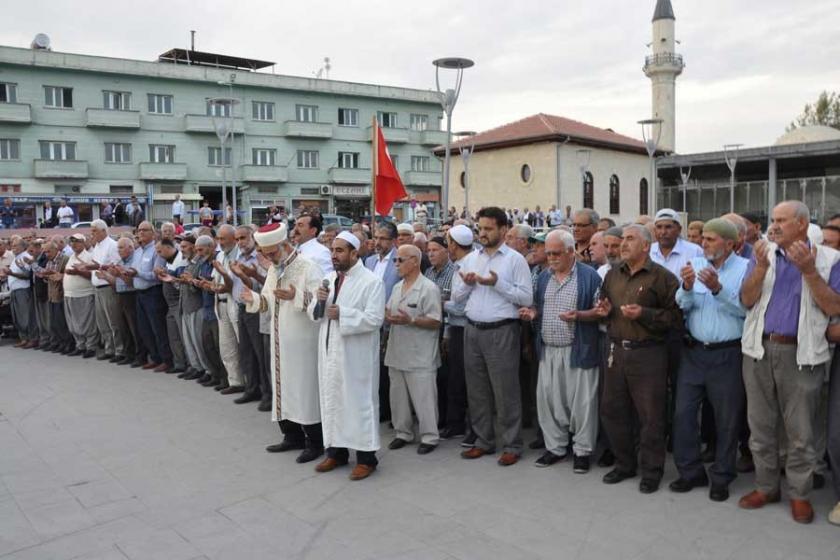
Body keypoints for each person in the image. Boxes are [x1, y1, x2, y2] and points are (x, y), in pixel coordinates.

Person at [738, 200, 840, 524]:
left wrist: (809, 271)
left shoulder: (830, 259)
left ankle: (800, 494)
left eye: (782, 220)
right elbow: (747, 299)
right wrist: (759, 269)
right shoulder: (762, 254)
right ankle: (766, 487)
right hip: (758, 350)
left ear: (801, 223)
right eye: (772, 219)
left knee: (801, 432)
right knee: (761, 427)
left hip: (801, 354)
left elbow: (833, 306)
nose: (774, 225)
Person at [597, 224, 681, 493]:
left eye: (630, 239)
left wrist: (643, 314)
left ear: (646, 245)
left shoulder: (663, 278)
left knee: (651, 416)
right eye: (623, 240)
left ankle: (652, 471)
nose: (623, 244)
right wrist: (606, 310)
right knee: (613, 410)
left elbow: (675, 319)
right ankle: (624, 464)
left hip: (649, 355)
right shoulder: (612, 275)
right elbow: (605, 305)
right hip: (616, 351)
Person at [670, 219, 748, 502]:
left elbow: (746, 311)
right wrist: (688, 287)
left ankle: (722, 476)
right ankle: (690, 472)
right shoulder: (698, 264)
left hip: (727, 353)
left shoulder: (744, 269)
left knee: (727, 419)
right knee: (683, 414)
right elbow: (683, 304)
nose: (704, 243)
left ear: (730, 244)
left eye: (712, 239)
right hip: (693, 353)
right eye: (703, 238)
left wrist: (718, 289)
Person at [452, 206, 533, 466]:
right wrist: (468, 282)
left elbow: (526, 298)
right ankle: (483, 441)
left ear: (503, 230)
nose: (483, 233)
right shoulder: (470, 259)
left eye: (488, 228)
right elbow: (456, 298)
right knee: (477, 391)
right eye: (480, 228)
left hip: (501, 331)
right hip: (473, 329)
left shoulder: (514, 260)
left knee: (505, 390)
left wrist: (496, 283)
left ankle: (512, 444)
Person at [242, 222, 325, 463]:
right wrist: (254, 298)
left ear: (285, 245)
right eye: (265, 255)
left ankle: (315, 442)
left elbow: (320, 302)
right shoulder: (274, 270)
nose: (268, 258)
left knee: (304, 390)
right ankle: (292, 436)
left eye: (272, 253)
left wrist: (295, 296)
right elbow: (267, 300)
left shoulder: (309, 267)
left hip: (303, 342)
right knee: (283, 387)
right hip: (280, 340)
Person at [522, 229, 603, 473]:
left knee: (583, 405)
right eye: (548, 253)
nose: (551, 258)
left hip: (578, 349)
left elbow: (601, 311)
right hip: (549, 349)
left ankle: (582, 451)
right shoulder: (545, 277)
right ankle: (555, 447)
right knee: (550, 402)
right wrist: (533, 313)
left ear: (571, 251)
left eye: (556, 253)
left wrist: (579, 315)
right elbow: (538, 305)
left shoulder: (589, 277)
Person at [310, 231, 385, 481]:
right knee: (332, 400)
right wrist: (319, 302)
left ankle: (366, 458)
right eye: (332, 250)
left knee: (358, 403)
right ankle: (336, 451)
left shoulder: (371, 281)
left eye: (340, 250)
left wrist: (344, 313)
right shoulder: (329, 279)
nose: (334, 255)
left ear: (355, 253)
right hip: (330, 351)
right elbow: (316, 314)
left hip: (356, 356)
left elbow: (375, 319)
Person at [384, 244, 442, 454]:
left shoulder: (428, 288)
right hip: (397, 349)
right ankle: (403, 432)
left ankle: (429, 436)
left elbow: (436, 321)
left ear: (415, 261)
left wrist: (412, 320)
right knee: (397, 396)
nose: (396, 264)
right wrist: (385, 315)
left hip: (420, 353)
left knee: (424, 397)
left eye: (400, 260)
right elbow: (390, 310)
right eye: (395, 260)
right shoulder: (398, 287)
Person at [217, 226, 269, 409]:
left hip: (257, 307)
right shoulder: (239, 257)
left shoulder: (260, 258)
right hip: (241, 306)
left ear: (253, 238)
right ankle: (251, 388)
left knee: (259, 353)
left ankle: (266, 393)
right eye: (238, 239)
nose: (240, 242)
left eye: (243, 238)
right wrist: (225, 275)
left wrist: (246, 274)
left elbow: (258, 285)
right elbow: (232, 284)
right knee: (246, 351)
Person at [442, 225, 474, 443]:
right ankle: (455, 424)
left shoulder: (470, 266)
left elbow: (465, 307)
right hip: (454, 328)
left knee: (468, 382)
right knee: (454, 379)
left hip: (467, 329)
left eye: (448, 243)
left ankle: (471, 427)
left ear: (454, 244)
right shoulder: (457, 266)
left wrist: (441, 304)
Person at [127, 222, 172, 372]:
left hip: (153, 293)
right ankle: (155, 357)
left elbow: (157, 275)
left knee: (158, 328)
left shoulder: (156, 250)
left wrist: (137, 274)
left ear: (153, 233)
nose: (141, 233)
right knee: (144, 328)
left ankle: (166, 359)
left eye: (145, 230)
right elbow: (133, 271)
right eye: (139, 230)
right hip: (139, 293)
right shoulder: (137, 251)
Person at [84, 220, 123, 361]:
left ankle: (119, 350)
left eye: (94, 231)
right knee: (102, 322)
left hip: (108, 286)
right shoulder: (97, 246)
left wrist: (98, 267)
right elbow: (96, 265)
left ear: (103, 231)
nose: (92, 234)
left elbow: (115, 266)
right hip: (97, 287)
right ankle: (109, 348)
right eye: (91, 231)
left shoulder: (112, 245)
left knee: (113, 321)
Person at [62, 234, 99, 358]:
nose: (74, 244)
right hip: (70, 294)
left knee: (87, 322)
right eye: (72, 242)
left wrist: (78, 272)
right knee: (73, 323)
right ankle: (80, 345)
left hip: (84, 294)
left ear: (83, 242)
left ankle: (90, 346)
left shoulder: (89, 257)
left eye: (77, 241)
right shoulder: (71, 257)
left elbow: (92, 275)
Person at [4, 237, 36, 347]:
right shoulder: (15, 258)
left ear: (23, 246)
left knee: (26, 316)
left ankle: (32, 338)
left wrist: (11, 274)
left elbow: (27, 275)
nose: (13, 247)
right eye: (12, 245)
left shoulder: (26, 257)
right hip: (14, 290)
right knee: (17, 316)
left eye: (16, 245)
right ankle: (23, 338)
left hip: (23, 290)